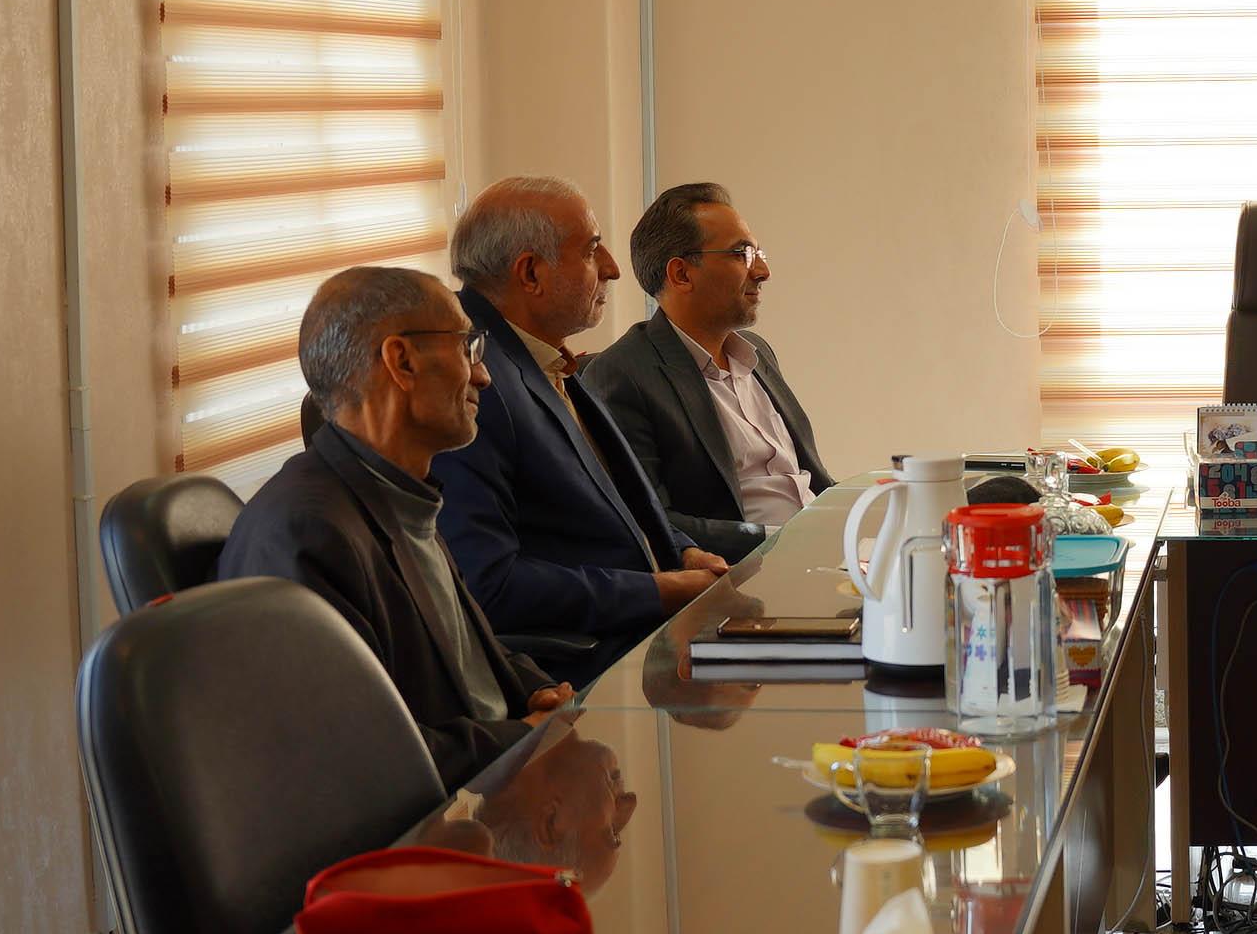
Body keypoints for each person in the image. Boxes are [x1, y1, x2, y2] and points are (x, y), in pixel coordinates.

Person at [224, 266, 572, 785]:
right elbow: (354, 758)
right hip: (441, 816)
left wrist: (534, 689)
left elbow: (464, 650)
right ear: (402, 361)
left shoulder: (401, 492)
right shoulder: (306, 534)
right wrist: (520, 738)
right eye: (468, 348)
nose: (483, 375)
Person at [431, 178, 739, 682]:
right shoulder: (473, 382)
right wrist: (660, 591)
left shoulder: (541, 356)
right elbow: (489, 584)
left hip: (652, 636)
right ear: (531, 273)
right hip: (592, 667)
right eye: (593, 250)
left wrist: (680, 549)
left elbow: (613, 499)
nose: (613, 268)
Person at [587, 183, 835, 533]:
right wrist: (779, 540)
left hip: (821, 547)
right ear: (681, 275)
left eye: (758, 253)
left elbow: (813, 482)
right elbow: (651, 523)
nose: (762, 271)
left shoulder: (758, 353)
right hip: (746, 561)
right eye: (741, 254)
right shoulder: (622, 375)